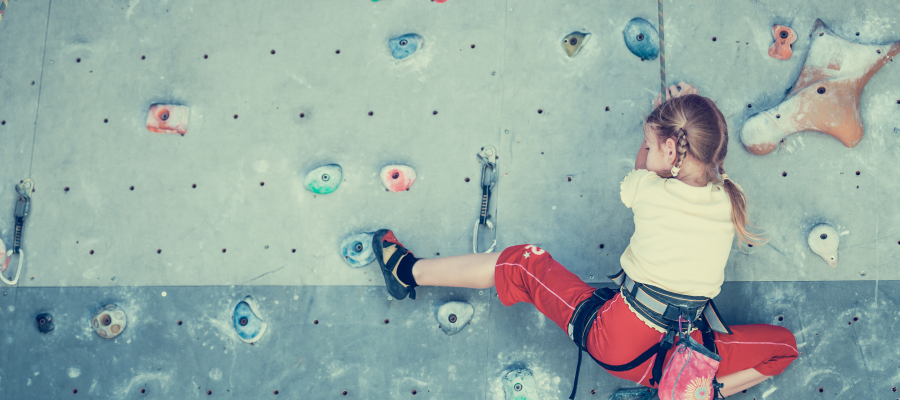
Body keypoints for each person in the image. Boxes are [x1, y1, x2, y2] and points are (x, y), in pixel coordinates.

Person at [371, 82, 798, 398]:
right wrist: (682, 128)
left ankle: (405, 271)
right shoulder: (728, 196)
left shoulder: (649, 190)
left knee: (522, 263)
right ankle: (697, 394)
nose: (646, 153)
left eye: (651, 146)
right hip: (683, 356)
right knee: (783, 349)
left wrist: (661, 132)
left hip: (620, 341)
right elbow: (695, 161)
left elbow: (643, 172)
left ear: (670, 152)